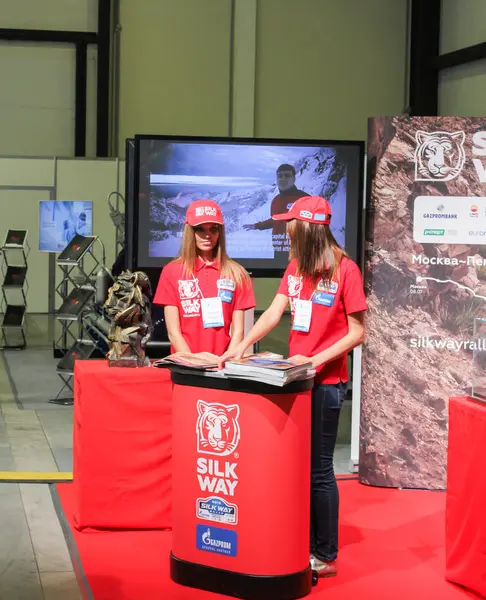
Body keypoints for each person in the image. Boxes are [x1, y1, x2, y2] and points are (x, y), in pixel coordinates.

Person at [220, 196, 367, 577]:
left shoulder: (346, 271)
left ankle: (325, 554)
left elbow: (358, 333)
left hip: (325, 383)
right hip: (293, 382)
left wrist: (314, 361)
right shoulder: (296, 268)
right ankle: (300, 540)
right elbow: (273, 311)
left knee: (319, 469)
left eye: (290, 224)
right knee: (297, 466)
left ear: (306, 229)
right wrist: (240, 347)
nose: (285, 230)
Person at [153, 199, 256, 356]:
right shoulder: (171, 272)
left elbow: (238, 332)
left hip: (222, 368)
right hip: (185, 367)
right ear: (190, 232)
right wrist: (192, 363)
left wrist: (224, 362)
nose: (207, 235)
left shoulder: (237, 273)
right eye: (200, 229)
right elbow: (174, 333)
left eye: (213, 229)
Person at [243, 164, 308, 254]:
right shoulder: (275, 200)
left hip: (299, 252)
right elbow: (275, 221)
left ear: (294, 179)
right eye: (280, 176)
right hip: (279, 250)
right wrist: (257, 226)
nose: (283, 179)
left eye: (287, 175)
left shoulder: (305, 199)